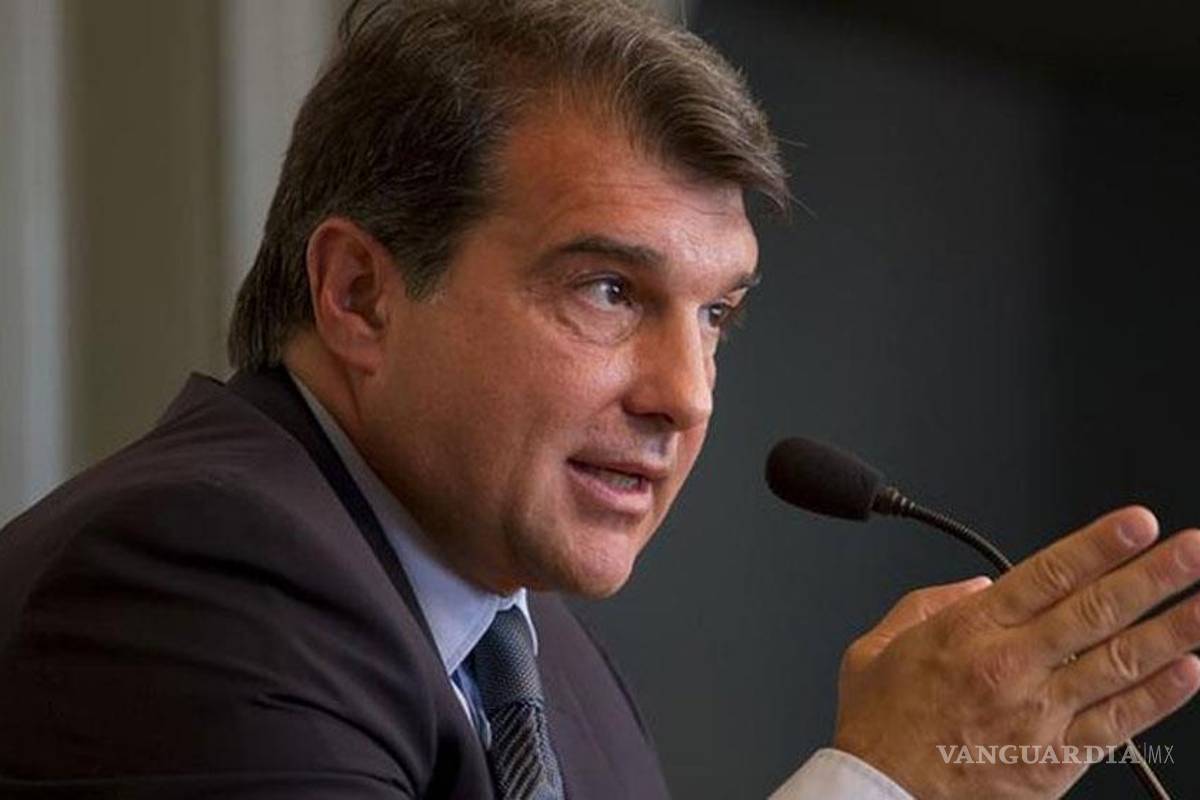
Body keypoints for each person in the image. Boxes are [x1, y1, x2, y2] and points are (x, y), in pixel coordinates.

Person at [2, 1, 1198, 798]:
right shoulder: (194, 577)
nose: (686, 396)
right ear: (361, 294)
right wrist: (882, 784)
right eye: (610, 289)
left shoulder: (541, 660)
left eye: (717, 314)